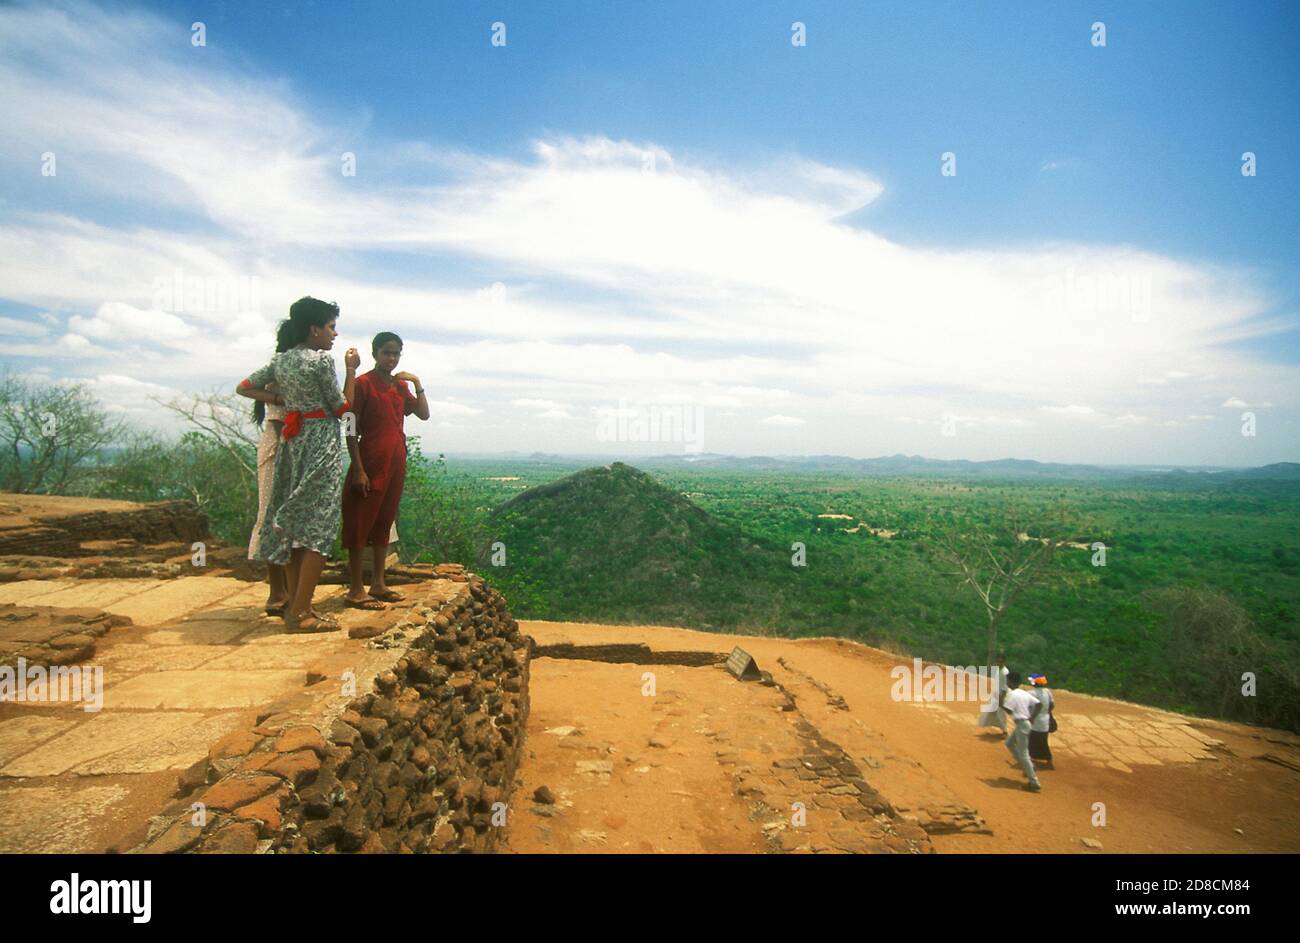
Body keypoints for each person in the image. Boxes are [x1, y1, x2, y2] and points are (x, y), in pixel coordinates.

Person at [236, 297, 359, 632]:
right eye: (331, 327)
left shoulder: (282, 361)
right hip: (320, 441)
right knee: (319, 525)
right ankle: (301, 612)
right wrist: (351, 370)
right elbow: (342, 406)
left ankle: (296, 606)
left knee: (293, 525)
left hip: (294, 440)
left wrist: (281, 400)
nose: (335, 334)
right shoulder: (320, 362)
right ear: (314, 329)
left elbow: (244, 387)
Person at [341, 332, 430, 609]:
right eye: (386, 353)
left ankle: (378, 583)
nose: (391, 358)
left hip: (395, 460)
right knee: (359, 521)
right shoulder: (363, 384)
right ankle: (356, 589)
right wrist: (358, 468)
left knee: (384, 520)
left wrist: (417, 383)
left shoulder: (400, 387)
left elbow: (424, 414)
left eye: (396, 354)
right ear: (375, 353)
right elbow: (349, 426)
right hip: (370, 458)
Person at [247, 321, 296, 616]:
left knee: (286, 520)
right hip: (279, 448)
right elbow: (278, 421)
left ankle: (285, 589)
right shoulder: (280, 371)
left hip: (290, 446)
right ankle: (277, 591)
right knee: (271, 516)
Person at [1002, 671, 1042, 791]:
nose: (1007, 683)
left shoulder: (1013, 695)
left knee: (1023, 753)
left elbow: (1009, 710)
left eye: (1008, 680)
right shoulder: (1023, 693)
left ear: (1012, 682)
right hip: (1025, 724)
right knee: (1009, 743)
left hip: (1021, 724)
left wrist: (1000, 704)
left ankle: (1034, 782)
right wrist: (1032, 717)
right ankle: (1028, 766)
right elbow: (1038, 704)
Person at [977, 653, 1010, 734]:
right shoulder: (998, 670)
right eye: (998, 660)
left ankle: (1005, 731)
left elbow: (1005, 687)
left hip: (1001, 696)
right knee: (990, 711)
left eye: (1001, 661)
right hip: (996, 695)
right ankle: (1000, 727)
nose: (999, 662)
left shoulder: (1005, 672)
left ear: (1004, 661)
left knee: (1001, 714)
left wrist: (1001, 699)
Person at [1028, 673, 1055, 769]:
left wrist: (1031, 717)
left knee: (1032, 741)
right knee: (1043, 741)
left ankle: (1031, 762)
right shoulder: (1047, 691)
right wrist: (1047, 712)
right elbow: (1052, 705)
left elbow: (1030, 706)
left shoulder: (1031, 693)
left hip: (1035, 721)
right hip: (1045, 720)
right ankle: (1049, 761)